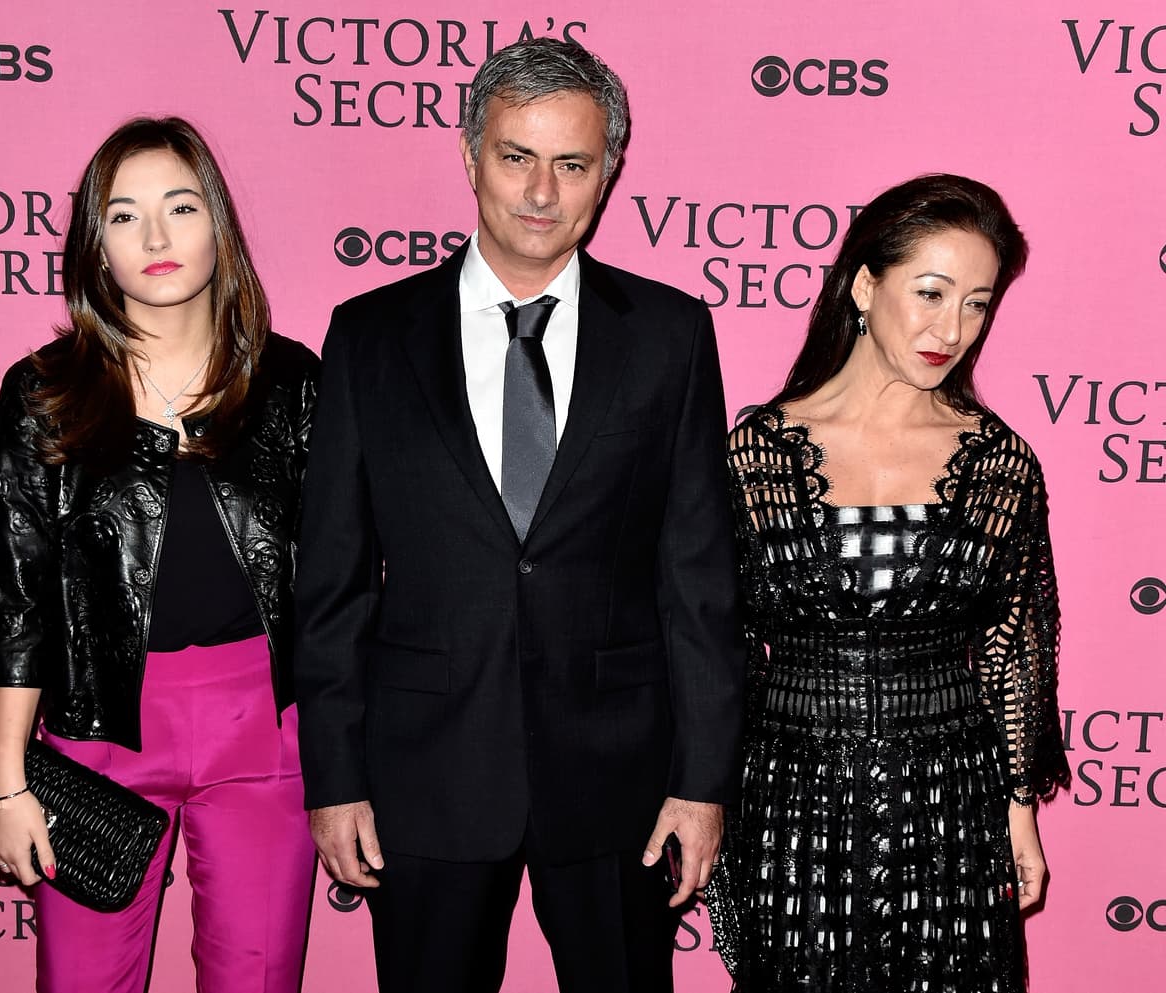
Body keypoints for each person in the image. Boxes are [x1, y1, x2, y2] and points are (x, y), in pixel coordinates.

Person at [294, 37, 745, 993]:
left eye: (572, 164)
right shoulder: (369, 336)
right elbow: (329, 582)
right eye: (516, 156)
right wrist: (334, 779)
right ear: (469, 156)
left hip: (623, 774)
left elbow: (698, 579)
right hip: (426, 771)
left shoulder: (670, 337)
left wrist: (702, 782)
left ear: (608, 174)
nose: (541, 192)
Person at [0, 116, 320, 993]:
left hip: (263, 728)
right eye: (123, 216)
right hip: (97, 728)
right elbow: (17, 593)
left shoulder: (292, 383)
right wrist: (8, 781)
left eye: (180, 206)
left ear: (219, 228)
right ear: (96, 247)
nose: (156, 237)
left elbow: (344, 579)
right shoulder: (44, 392)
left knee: (258, 979)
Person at [706, 174, 1071, 992]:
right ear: (865, 285)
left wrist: (1018, 809)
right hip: (792, 795)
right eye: (932, 293)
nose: (953, 329)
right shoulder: (757, 454)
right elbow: (712, 642)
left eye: (977, 303)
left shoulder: (999, 463)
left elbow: (1013, 649)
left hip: (951, 800)